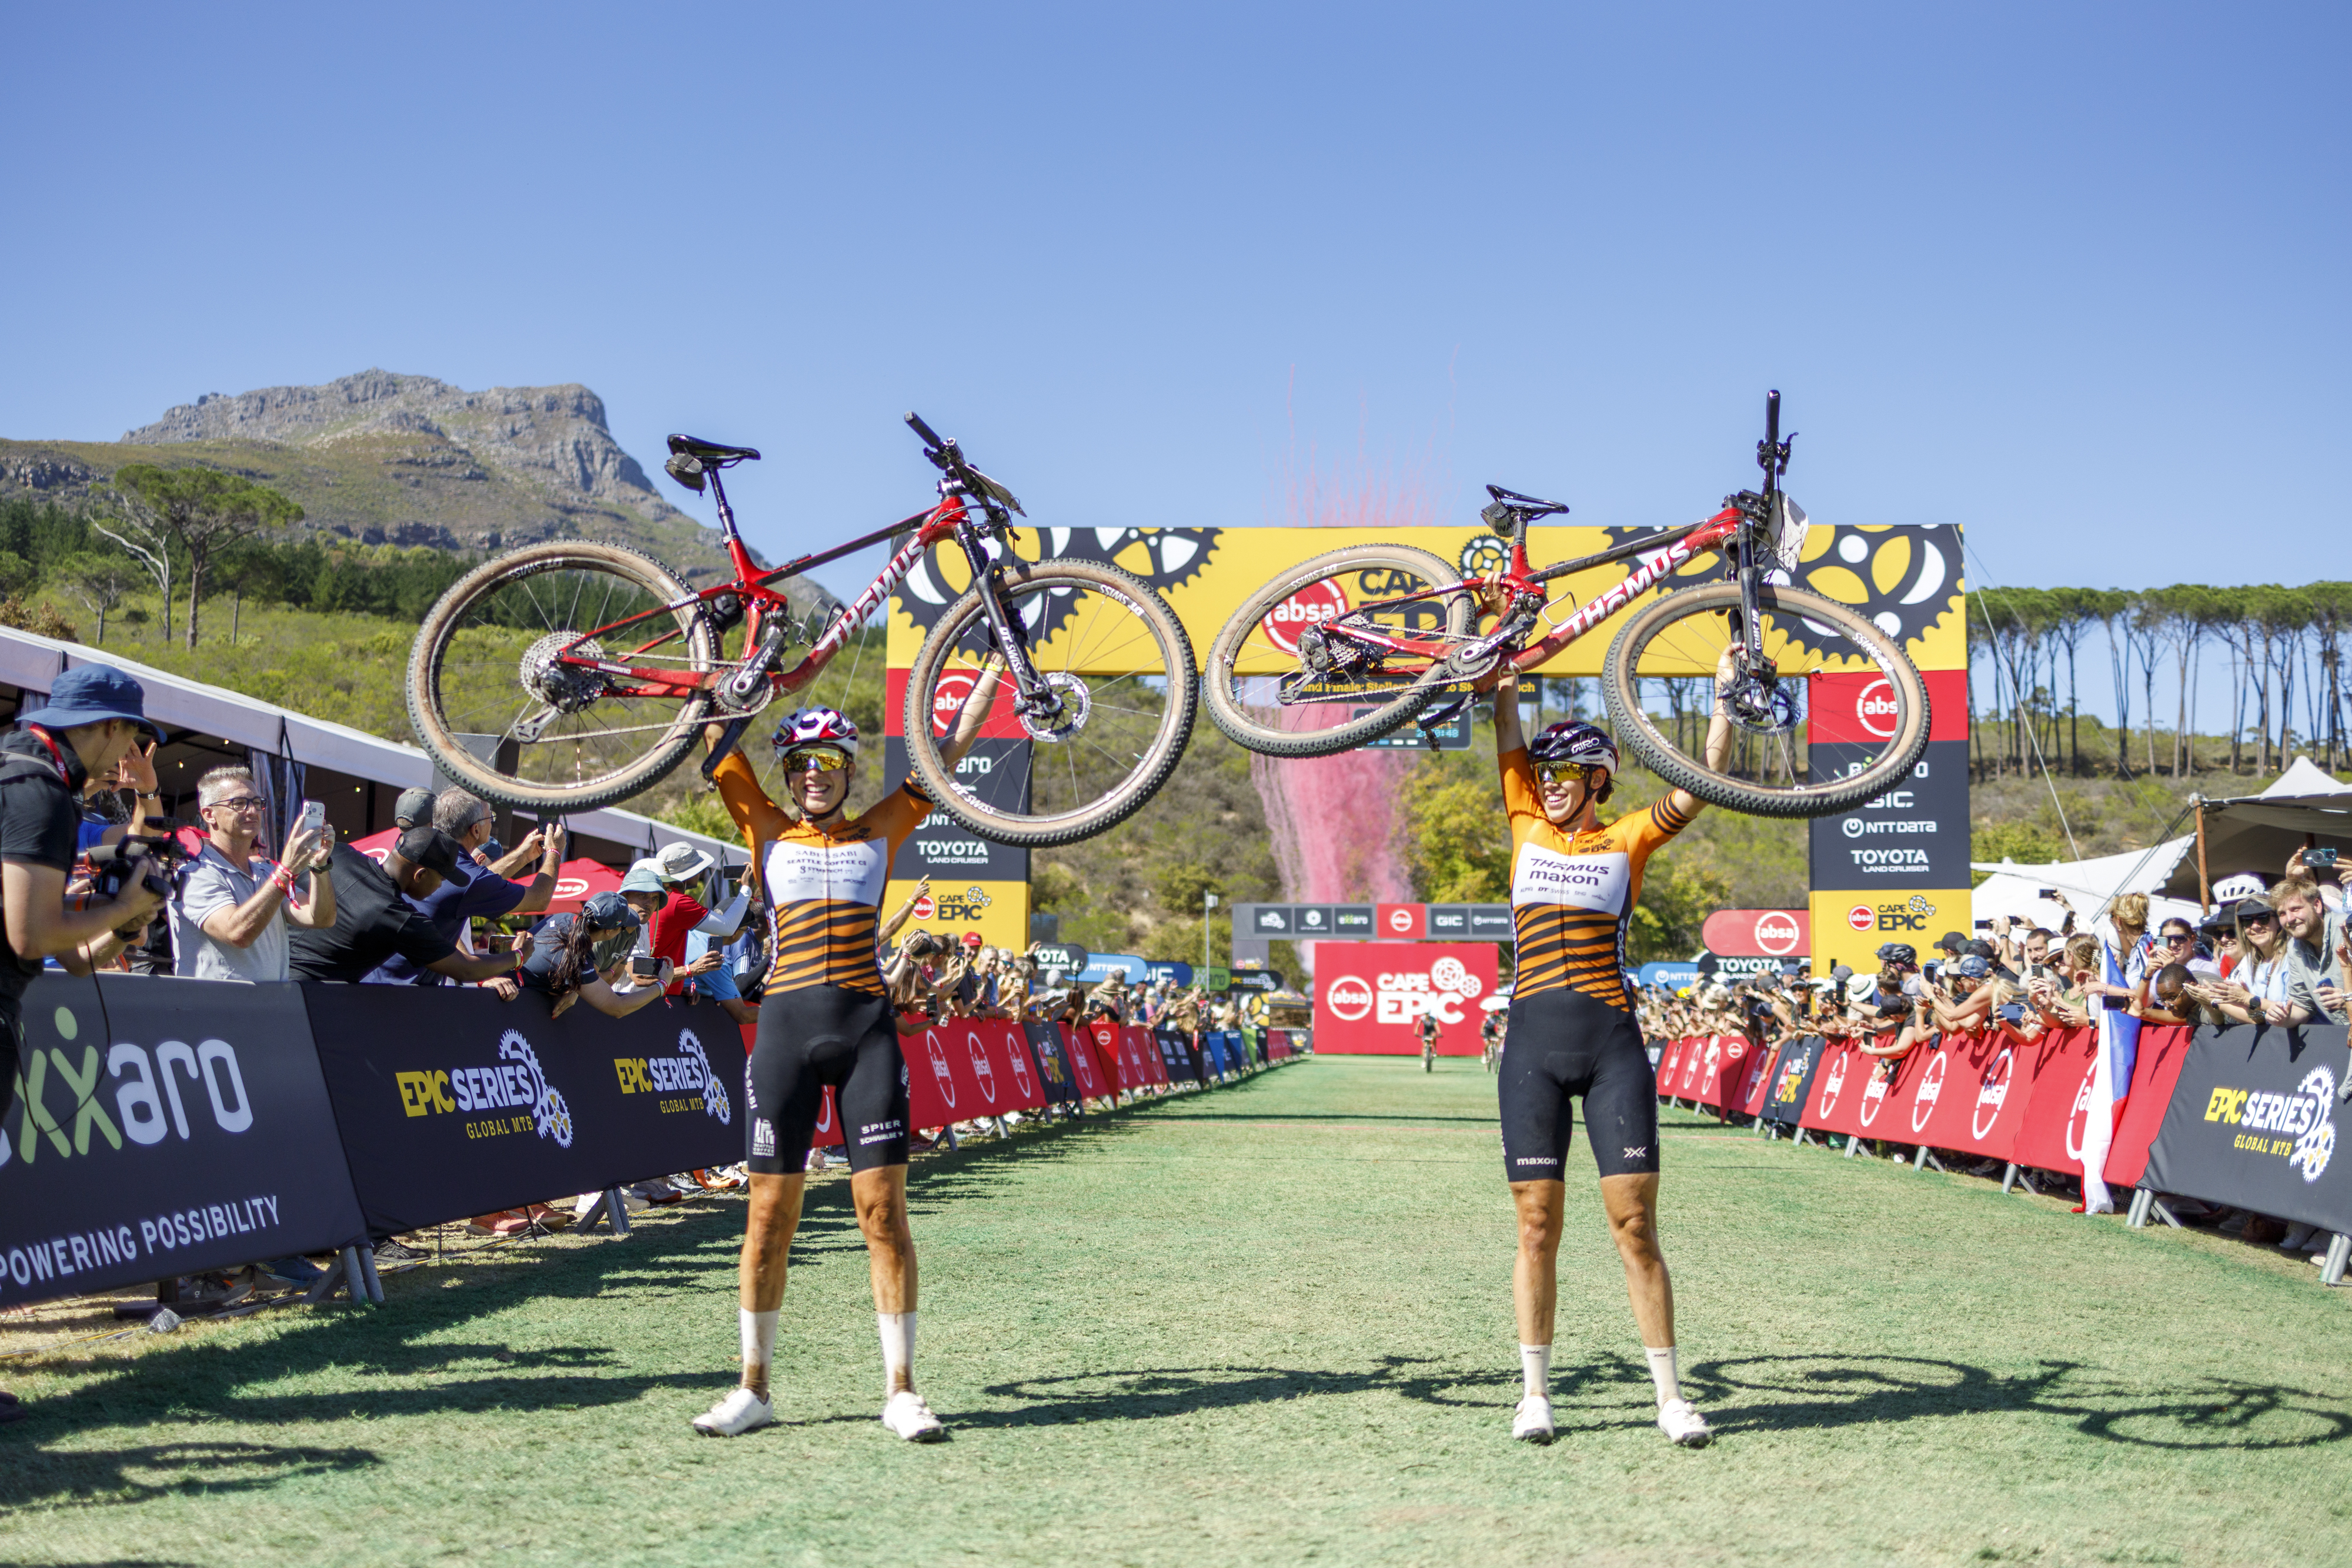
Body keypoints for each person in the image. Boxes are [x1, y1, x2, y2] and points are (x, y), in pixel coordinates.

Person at [691, 691, 993, 1443]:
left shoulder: (883, 826)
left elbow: (950, 746)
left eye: (828, 760)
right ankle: (752, 1388)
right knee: (767, 1217)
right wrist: (723, 666)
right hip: (784, 1031)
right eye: (801, 762)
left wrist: (995, 661)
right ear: (787, 773)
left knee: (884, 1215)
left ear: (850, 769)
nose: (814, 773)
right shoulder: (764, 825)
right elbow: (712, 728)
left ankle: (902, 1391)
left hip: (865, 1031)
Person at [1489, 658, 1728, 1450]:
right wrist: (1504, 670)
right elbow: (1506, 725)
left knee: (1634, 1225)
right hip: (1531, 1043)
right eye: (1542, 772)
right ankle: (1534, 1394)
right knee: (1535, 1224)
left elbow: (1701, 782)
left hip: (1610, 1047)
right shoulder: (1525, 821)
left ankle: (1671, 1398)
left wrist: (1724, 701)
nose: (1547, 782)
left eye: (1563, 772)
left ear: (1597, 778)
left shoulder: (1628, 837)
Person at [0, 667, 175, 1420]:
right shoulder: (37, 788)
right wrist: (127, 902)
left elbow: (75, 957)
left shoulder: (19, 770)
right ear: (105, 725)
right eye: (129, 739)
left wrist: (124, 924)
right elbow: (32, 935)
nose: (124, 759)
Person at [289, 826, 534, 986]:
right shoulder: (397, 917)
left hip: (270, 971)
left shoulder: (340, 852)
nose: (441, 886)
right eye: (442, 879)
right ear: (421, 875)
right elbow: (464, 969)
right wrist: (517, 956)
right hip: (306, 998)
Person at [368, 790, 565, 988]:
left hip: (372, 983)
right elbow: (540, 899)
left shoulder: (423, 853)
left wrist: (523, 856)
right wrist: (554, 851)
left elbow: (472, 884)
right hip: (398, 993)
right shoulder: (468, 878)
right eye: (490, 818)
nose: (492, 821)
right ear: (476, 830)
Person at [171, 765, 339, 981]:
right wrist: (285, 871)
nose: (252, 811)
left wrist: (319, 865)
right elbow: (237, 934)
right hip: (215, 1004)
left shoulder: (267, 872)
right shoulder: (194, 873)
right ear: (209, 815)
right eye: (239, 803)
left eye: (257, 803)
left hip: (272, 1001)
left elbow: (321, 918)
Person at [522, 891, 673, 1018]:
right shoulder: (577, 957)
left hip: (519, 992)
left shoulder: (564, 918)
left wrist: (577, 986)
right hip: (517, 997)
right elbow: (618, 1008)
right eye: (623, 928)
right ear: (609, 931)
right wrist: (663, 985)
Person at [1415, 1007, 1440, 1072]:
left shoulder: (1433, 1019)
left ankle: (1435, 1050)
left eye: (1428, 1014)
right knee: (1424, 1046)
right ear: (1425, 1014)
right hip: (1426, 1031)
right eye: (1426, 1014)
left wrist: (1440, 1033)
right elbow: (1418, 1026)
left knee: (1434, 1036)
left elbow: (1437, 1026)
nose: (1428, 1015)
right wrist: (1416, 1032)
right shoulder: (1422, 1018)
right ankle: (1424, 1060)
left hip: (1432, 1030)